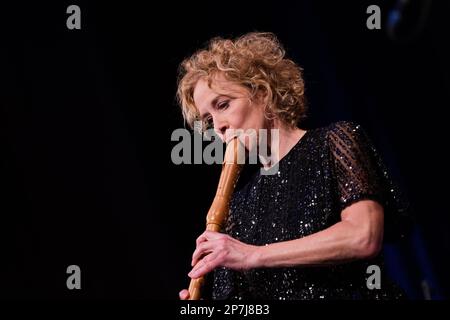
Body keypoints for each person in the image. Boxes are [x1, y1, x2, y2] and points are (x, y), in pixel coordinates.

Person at [176, 32, 409, 300]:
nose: (218, 126)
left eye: (224, 105)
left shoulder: (333, 142)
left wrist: (253, 254)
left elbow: (363, 236)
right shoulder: (237, 207)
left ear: (262, 92)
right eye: (208, 119)